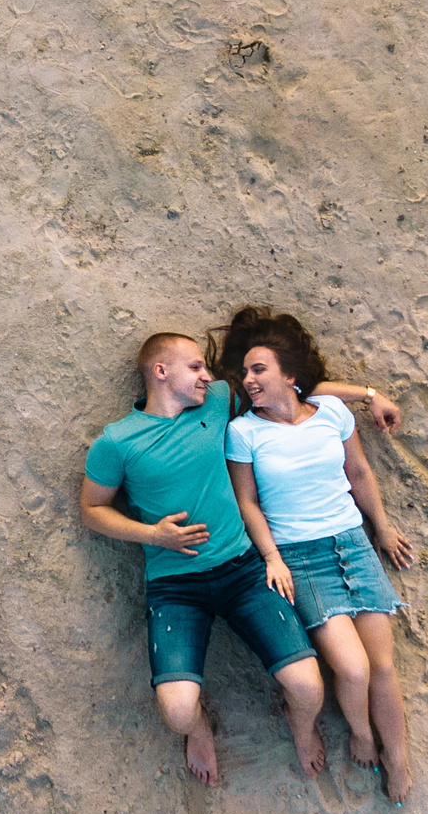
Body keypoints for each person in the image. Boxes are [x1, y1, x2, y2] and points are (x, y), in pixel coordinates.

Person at [79, 331, 400, 788]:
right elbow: (91, 509)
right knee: (177, 711)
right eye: (195, 368)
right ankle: (200, 727)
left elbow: (299, 392)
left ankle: (300, 725)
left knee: (309, 688)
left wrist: (370, 395)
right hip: (176, 586)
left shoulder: (216, 403)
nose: (208, 376)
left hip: (243, 570)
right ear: (161, 371)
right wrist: (152, 534)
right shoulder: (117, 442)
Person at [216, 306, 418, 806]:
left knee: (383, 667)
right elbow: (248, 503)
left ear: (290, 376)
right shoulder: (244, 431)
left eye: (259, 369)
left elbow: (360, 474)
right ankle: (363, 734)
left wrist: (383, 528)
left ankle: (398, 755)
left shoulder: (330, 412)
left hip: (352, 541)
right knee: (352, 670)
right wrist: (272, 557)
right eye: (245, 372)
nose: (249, 379)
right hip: (300, 558)